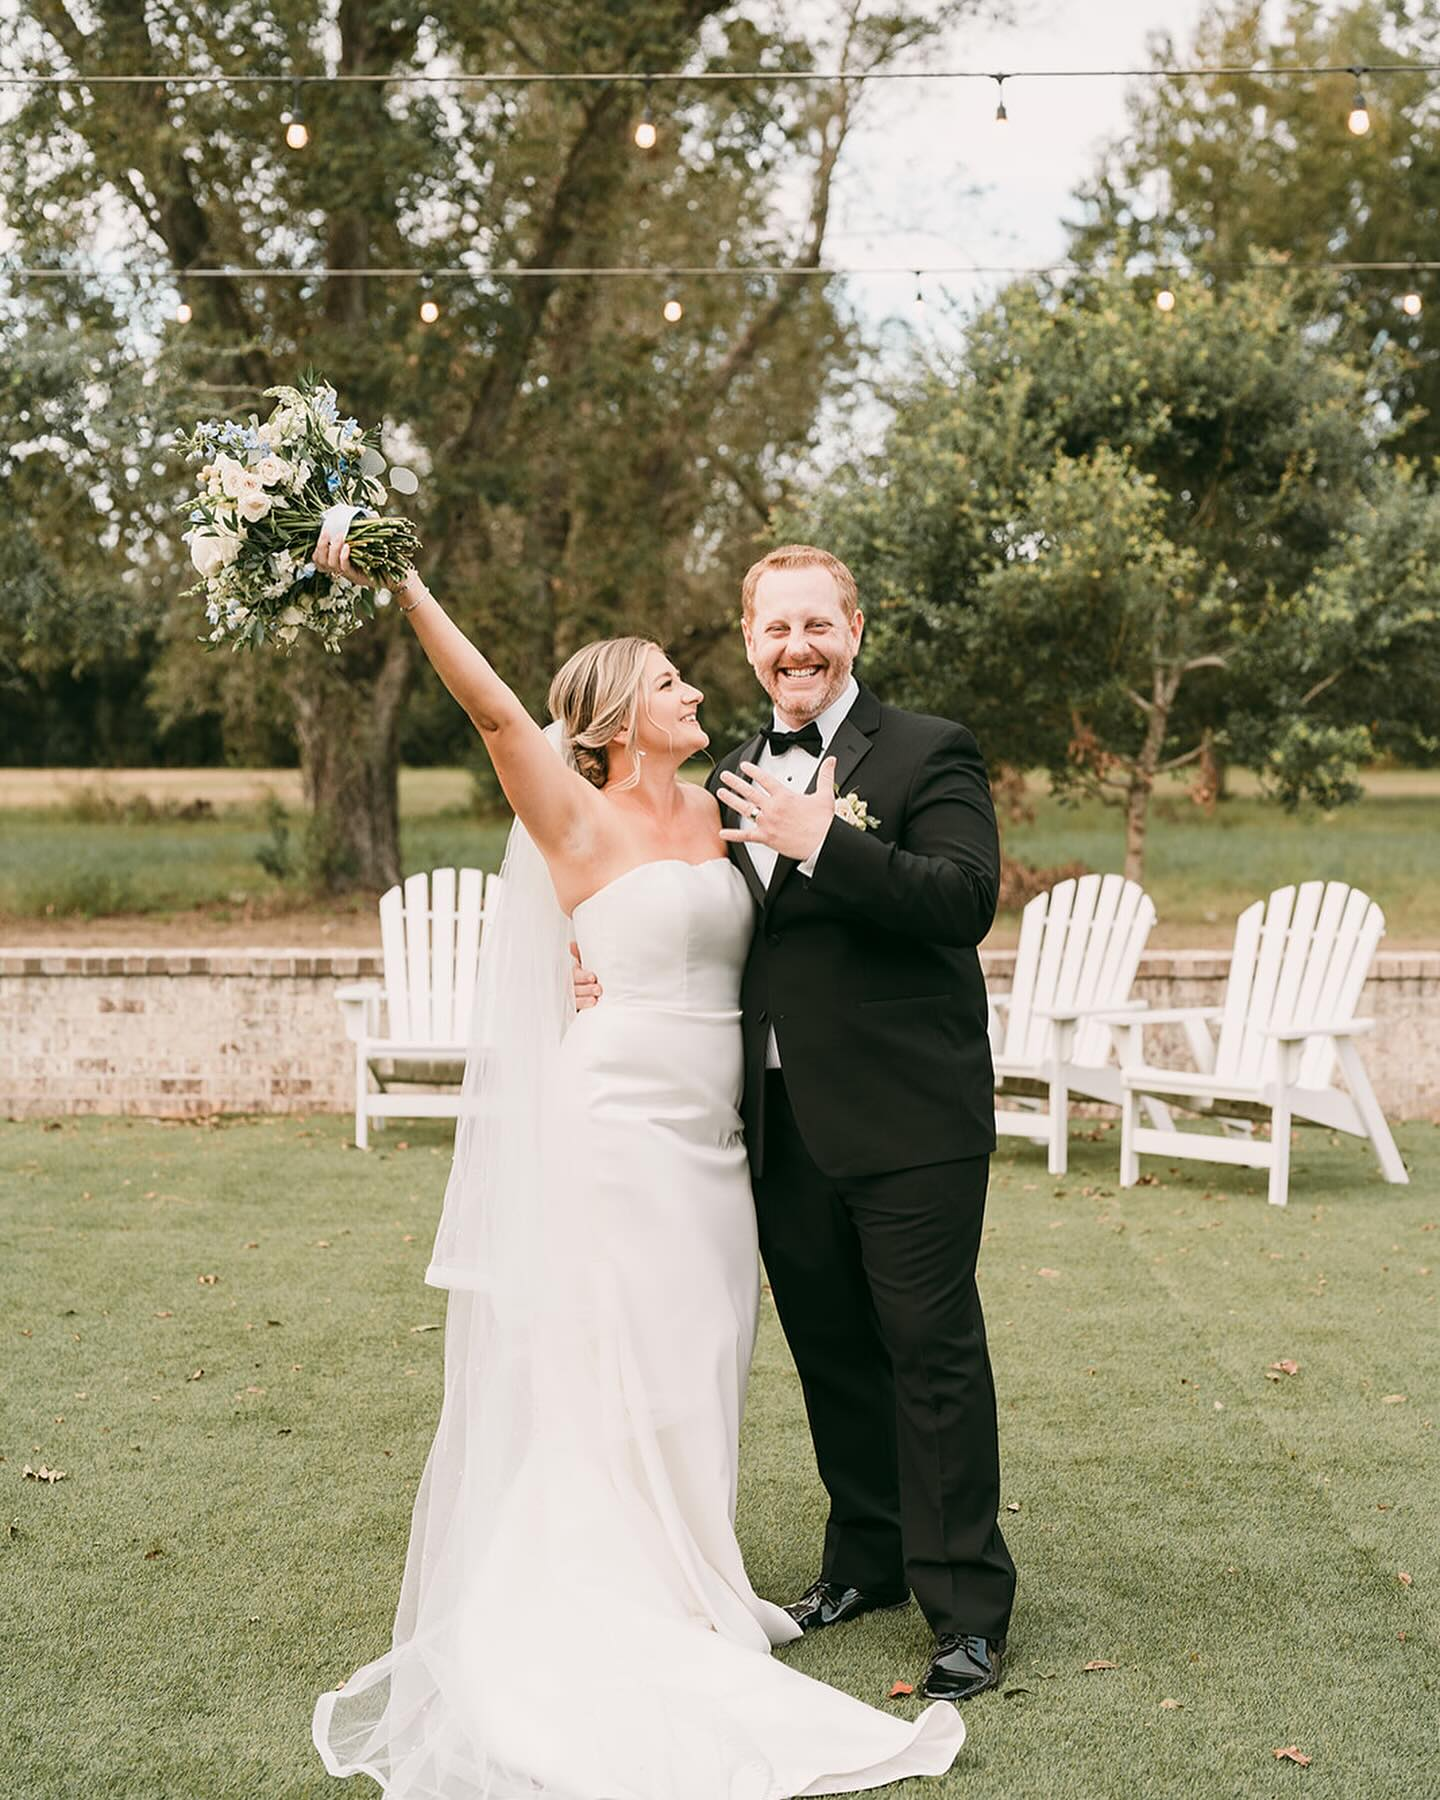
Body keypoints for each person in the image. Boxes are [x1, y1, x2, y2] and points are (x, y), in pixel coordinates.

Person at [306, 518, 966, 1798]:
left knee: (704, 1356)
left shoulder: (726, 815)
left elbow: (784, 935)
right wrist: (405, 583)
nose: (698, 687)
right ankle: (613, 1591)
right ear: (616, 717)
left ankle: (690, 1570)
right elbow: (500, 715)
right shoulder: (573, 814)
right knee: (619, 1359)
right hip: (614, 1132)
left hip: (724, 1143)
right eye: (671, 680)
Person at [574, 544, 1015, 1703]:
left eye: (817, 626)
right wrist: (603, 977)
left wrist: (830, 840)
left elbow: (964, 900)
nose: (796, 649)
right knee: (831, 1358)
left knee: (930, 1358)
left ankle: (966, 1607)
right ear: (748, 635)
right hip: (772, 1125)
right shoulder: (722, 776)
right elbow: (705, 925)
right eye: (775, 630)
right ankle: (862, 1562)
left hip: (912, 1118)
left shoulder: (929, 749)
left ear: (854, 629)